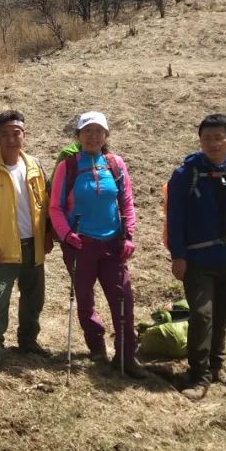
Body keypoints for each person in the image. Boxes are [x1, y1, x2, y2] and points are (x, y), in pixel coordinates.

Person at [49, 111, 148, 379]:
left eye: (98, 131)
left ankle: (126, 356)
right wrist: (67, 235)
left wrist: (128, 235)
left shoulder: (115, 164)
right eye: (87, 131)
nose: (93, 136)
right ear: (78, 136)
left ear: (106, 135)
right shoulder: (67, 166)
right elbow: (55, 207)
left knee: (123, 300)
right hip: (80, 245)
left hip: (112, 245)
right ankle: (97, 348)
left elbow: (126, 202)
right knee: (85, 301)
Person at [166, 113, 226, 401]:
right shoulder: (185, 174)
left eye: (219, 138)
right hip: (197, 261)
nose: (213, 143)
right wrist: (178, 256)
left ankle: (216, 367)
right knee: (202, 316)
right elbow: (175, 217)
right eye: (207, 138)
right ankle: (198, 375)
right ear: (200, 141)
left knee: (221, 316)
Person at [0, 111, 50, 367]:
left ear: (24, 135)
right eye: (4, 134)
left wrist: (47, 236)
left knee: (34, 297)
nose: (11, 139)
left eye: (16, 133)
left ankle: (28, 340)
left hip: (33, 246)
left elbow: (46, 204)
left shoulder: (35, 167)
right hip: (4, 248)